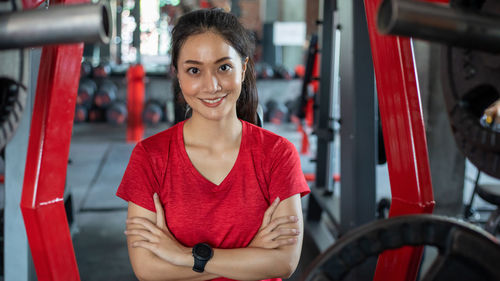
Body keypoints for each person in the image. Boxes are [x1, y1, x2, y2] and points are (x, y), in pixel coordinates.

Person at [116, 8, 310, 281]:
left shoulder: (277, 154)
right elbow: (147, 269)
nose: (212, 85)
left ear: (242, 69)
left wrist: (185, 257)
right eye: (194, 70)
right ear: (178, 76)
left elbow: (284, 261)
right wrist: (252, 255)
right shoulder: (150, 157)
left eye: (223, 67)